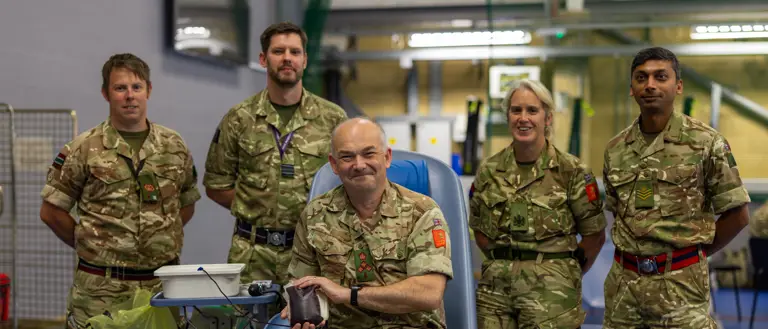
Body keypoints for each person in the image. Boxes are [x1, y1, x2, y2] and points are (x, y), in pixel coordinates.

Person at [39, 53, 201, 328]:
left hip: (161, 287)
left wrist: (156, 237)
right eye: (120, 88)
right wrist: (93, 243)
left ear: (148, 90)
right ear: (106, 93)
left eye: (136, 87)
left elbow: (185, 204)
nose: (129, 96)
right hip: (101, 290)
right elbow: (51, 212)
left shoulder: (174, 145)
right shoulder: (83, 148)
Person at [602, 47, 751, 329]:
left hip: (681, 288)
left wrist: (695, 255)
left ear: (678, 86)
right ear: (631, 89)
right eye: (641, 78)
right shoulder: (615, 149)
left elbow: (739, 215)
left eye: (661, 77)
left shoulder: (706, 143)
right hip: (624, 289)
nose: (650, 85)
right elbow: (617, 212)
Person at [203, 21, 346, 291]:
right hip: (252, 254)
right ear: (263, 59)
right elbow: (216, 185)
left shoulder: (333, 119)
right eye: (278, 51)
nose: (287, 58)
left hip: (313, 253)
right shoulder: (239, 118)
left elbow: (347, 182)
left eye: (294, 52)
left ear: (305, 60)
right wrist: (257, 207)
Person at [282, 118, 453, 329]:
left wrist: (348, 295)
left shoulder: (422, 212)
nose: (359, 164)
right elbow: (302, 286)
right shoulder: (314, 215)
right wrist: (306, 313)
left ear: (387, 157)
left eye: (369, 154)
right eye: (347, 156)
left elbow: (429, 293)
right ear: (334, 165)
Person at [469, 79, 607, 328]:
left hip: (552, 297)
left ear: (548, 118)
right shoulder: (489, 171)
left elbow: (594, 237)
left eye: (532, 110)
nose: (523, 118)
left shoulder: (571, 172)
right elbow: (480, 232)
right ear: (508, 116)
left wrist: (564, 273)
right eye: (516, 110)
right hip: (496, 297)